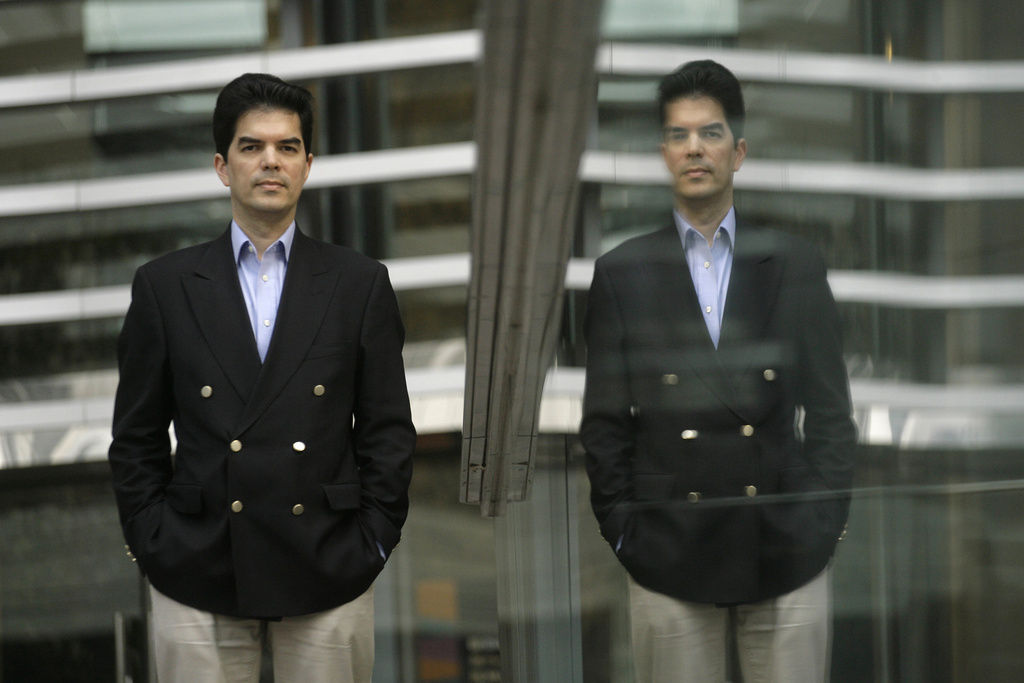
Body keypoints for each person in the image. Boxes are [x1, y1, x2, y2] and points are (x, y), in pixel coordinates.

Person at [108, 73, 416, 683]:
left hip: (329, 562)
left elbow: (387, 431)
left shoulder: (360, 283)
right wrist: (152, 541)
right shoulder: (164, 286)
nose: (270, 161)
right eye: (251, 147)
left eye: (287, 147)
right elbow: (135, 437)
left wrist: (373, 540)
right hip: (196, 565)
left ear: (307, 164)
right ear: (223, 167)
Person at [580, 59, 857, 683]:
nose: (694, 148)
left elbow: (833, 417)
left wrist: (820, 524)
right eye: (678, 135)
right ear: (663, 153)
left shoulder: (794, 264)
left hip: (785, 550)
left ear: (739, 152)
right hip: (669, 554)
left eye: (709, 133)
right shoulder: (623, 272)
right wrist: (628, 534)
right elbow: (604, 427)